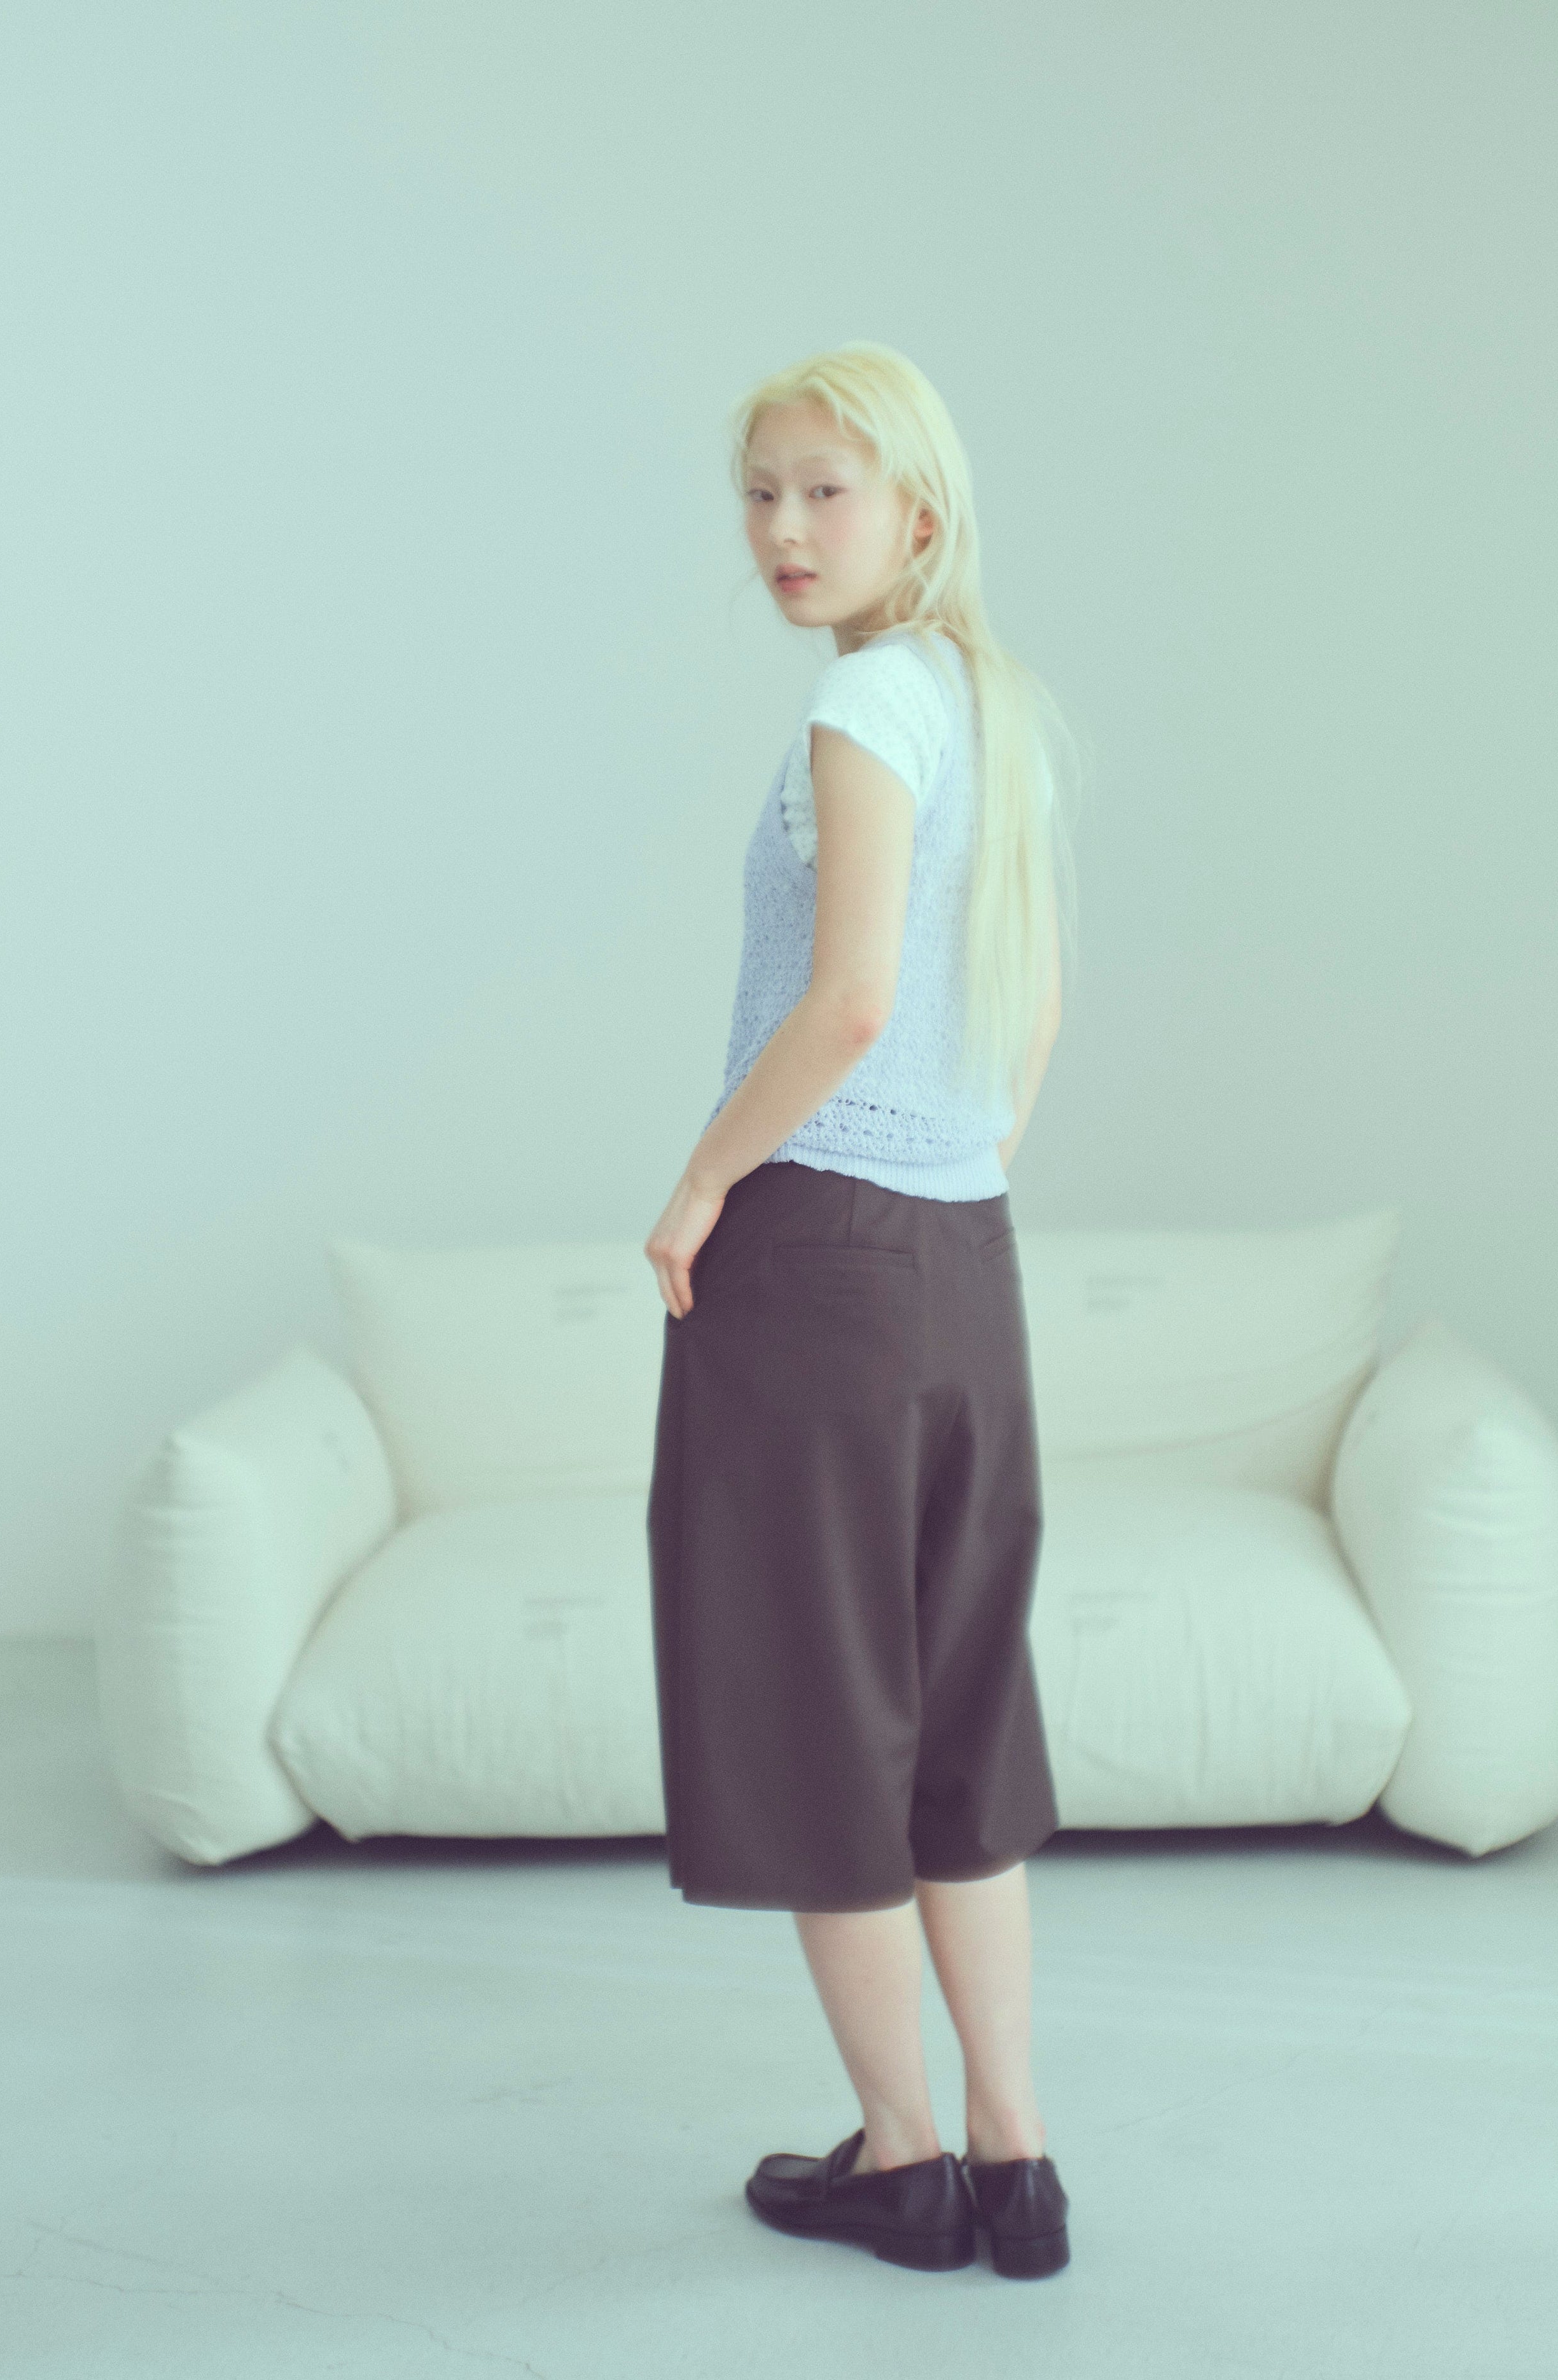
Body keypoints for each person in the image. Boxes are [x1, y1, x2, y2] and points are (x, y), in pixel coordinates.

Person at [643, 341, 1081, 2279]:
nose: (785, 529)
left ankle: (901, 2162)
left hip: (819, 1256)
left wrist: (705, 1181)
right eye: (760, 491)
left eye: (827, 490)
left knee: (821, 1710)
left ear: (919, 509)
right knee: (958, 1714)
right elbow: (1030, 1009)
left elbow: (848, 999)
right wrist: (948, 1173)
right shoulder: (998, 705)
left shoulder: (866, 703)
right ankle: (1016, 2160)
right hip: (965, 1262)